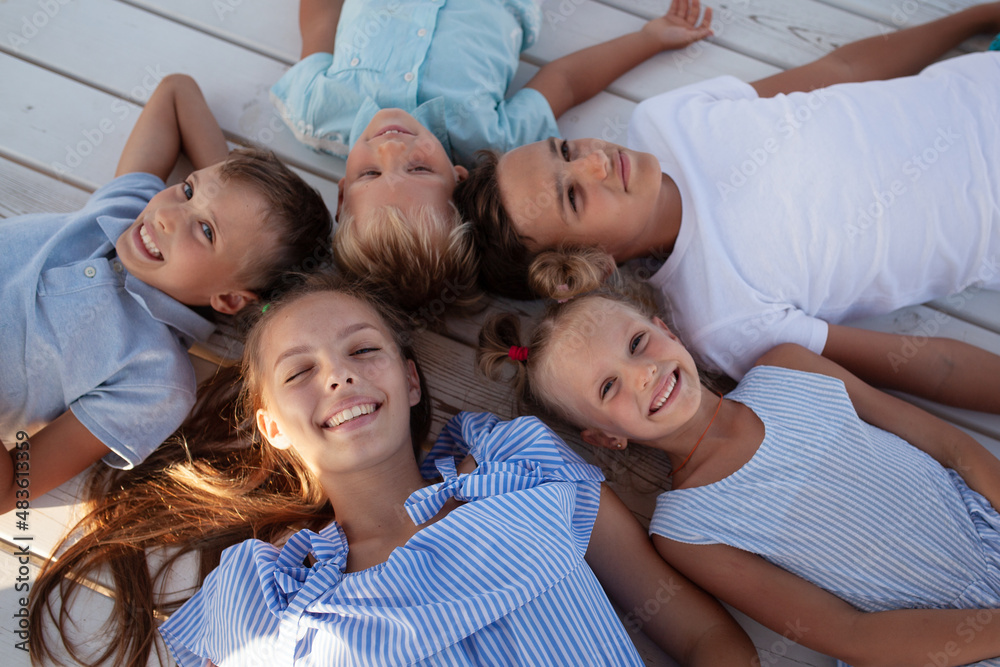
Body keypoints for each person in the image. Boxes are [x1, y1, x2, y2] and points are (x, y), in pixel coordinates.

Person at [29, 272, 757, 666]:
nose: (339, 378)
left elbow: (702, 637)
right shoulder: (270, 599)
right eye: (301, 372)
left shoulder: (521, 468)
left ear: (411, 380)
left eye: (362, 350)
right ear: (272, 427)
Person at [456, 3, 1000, 414]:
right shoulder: (720, 317)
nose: (595, 163)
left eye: (567, 151)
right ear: (582, 266)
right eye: (573, 197)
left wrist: (977, 17)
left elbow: (844, 67)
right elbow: (923, 364)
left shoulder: (668, 120)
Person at [478, 280, 1000, 666]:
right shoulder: (687, 532)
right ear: (605, 437)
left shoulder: (790, 368)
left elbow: (950, 445)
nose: (644, 375)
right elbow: (852, 634)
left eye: (637, 344)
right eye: (608, 388)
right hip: (938, 646)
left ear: (666, 330)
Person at [0, 73, 333, 514]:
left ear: (232, 300)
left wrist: (243, 239)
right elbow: (177, 92)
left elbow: (13, 489)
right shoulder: (128, 207)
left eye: (207, 231)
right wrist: (236, 192)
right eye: (189, 188)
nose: (168, 215)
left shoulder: (153, 379)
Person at [272, 0, 713, 311]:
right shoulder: (504, 152)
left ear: (343, 195)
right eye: (419, 168)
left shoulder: (316, 111)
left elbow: (320, 19)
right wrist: (649, 38)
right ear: (462, 179)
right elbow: (563, 82)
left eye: (370, 173)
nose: (390, 147)